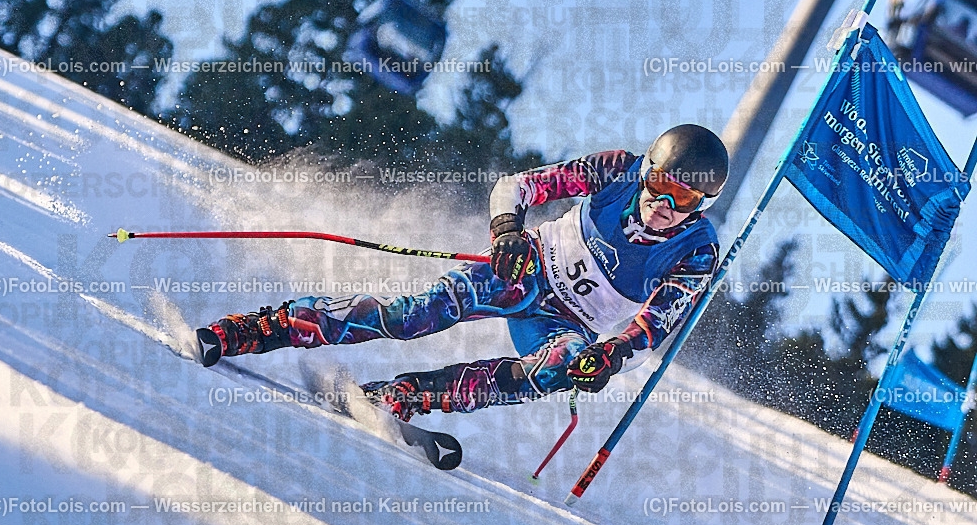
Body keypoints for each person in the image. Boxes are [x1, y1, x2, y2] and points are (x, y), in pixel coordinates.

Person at [197, 124, 728, 422]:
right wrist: (508, 233)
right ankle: (260, 329)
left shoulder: (698, 250)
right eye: (659, 182)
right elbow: (516, 186)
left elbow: (655, 326)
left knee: (553, 372)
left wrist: (611, 355)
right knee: (411, 317)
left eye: (683, 197)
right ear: (647, 170)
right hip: (527, 269)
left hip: (569, 322)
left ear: (701, 204)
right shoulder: (615, 169)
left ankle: (402, 397)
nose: (664, 202)